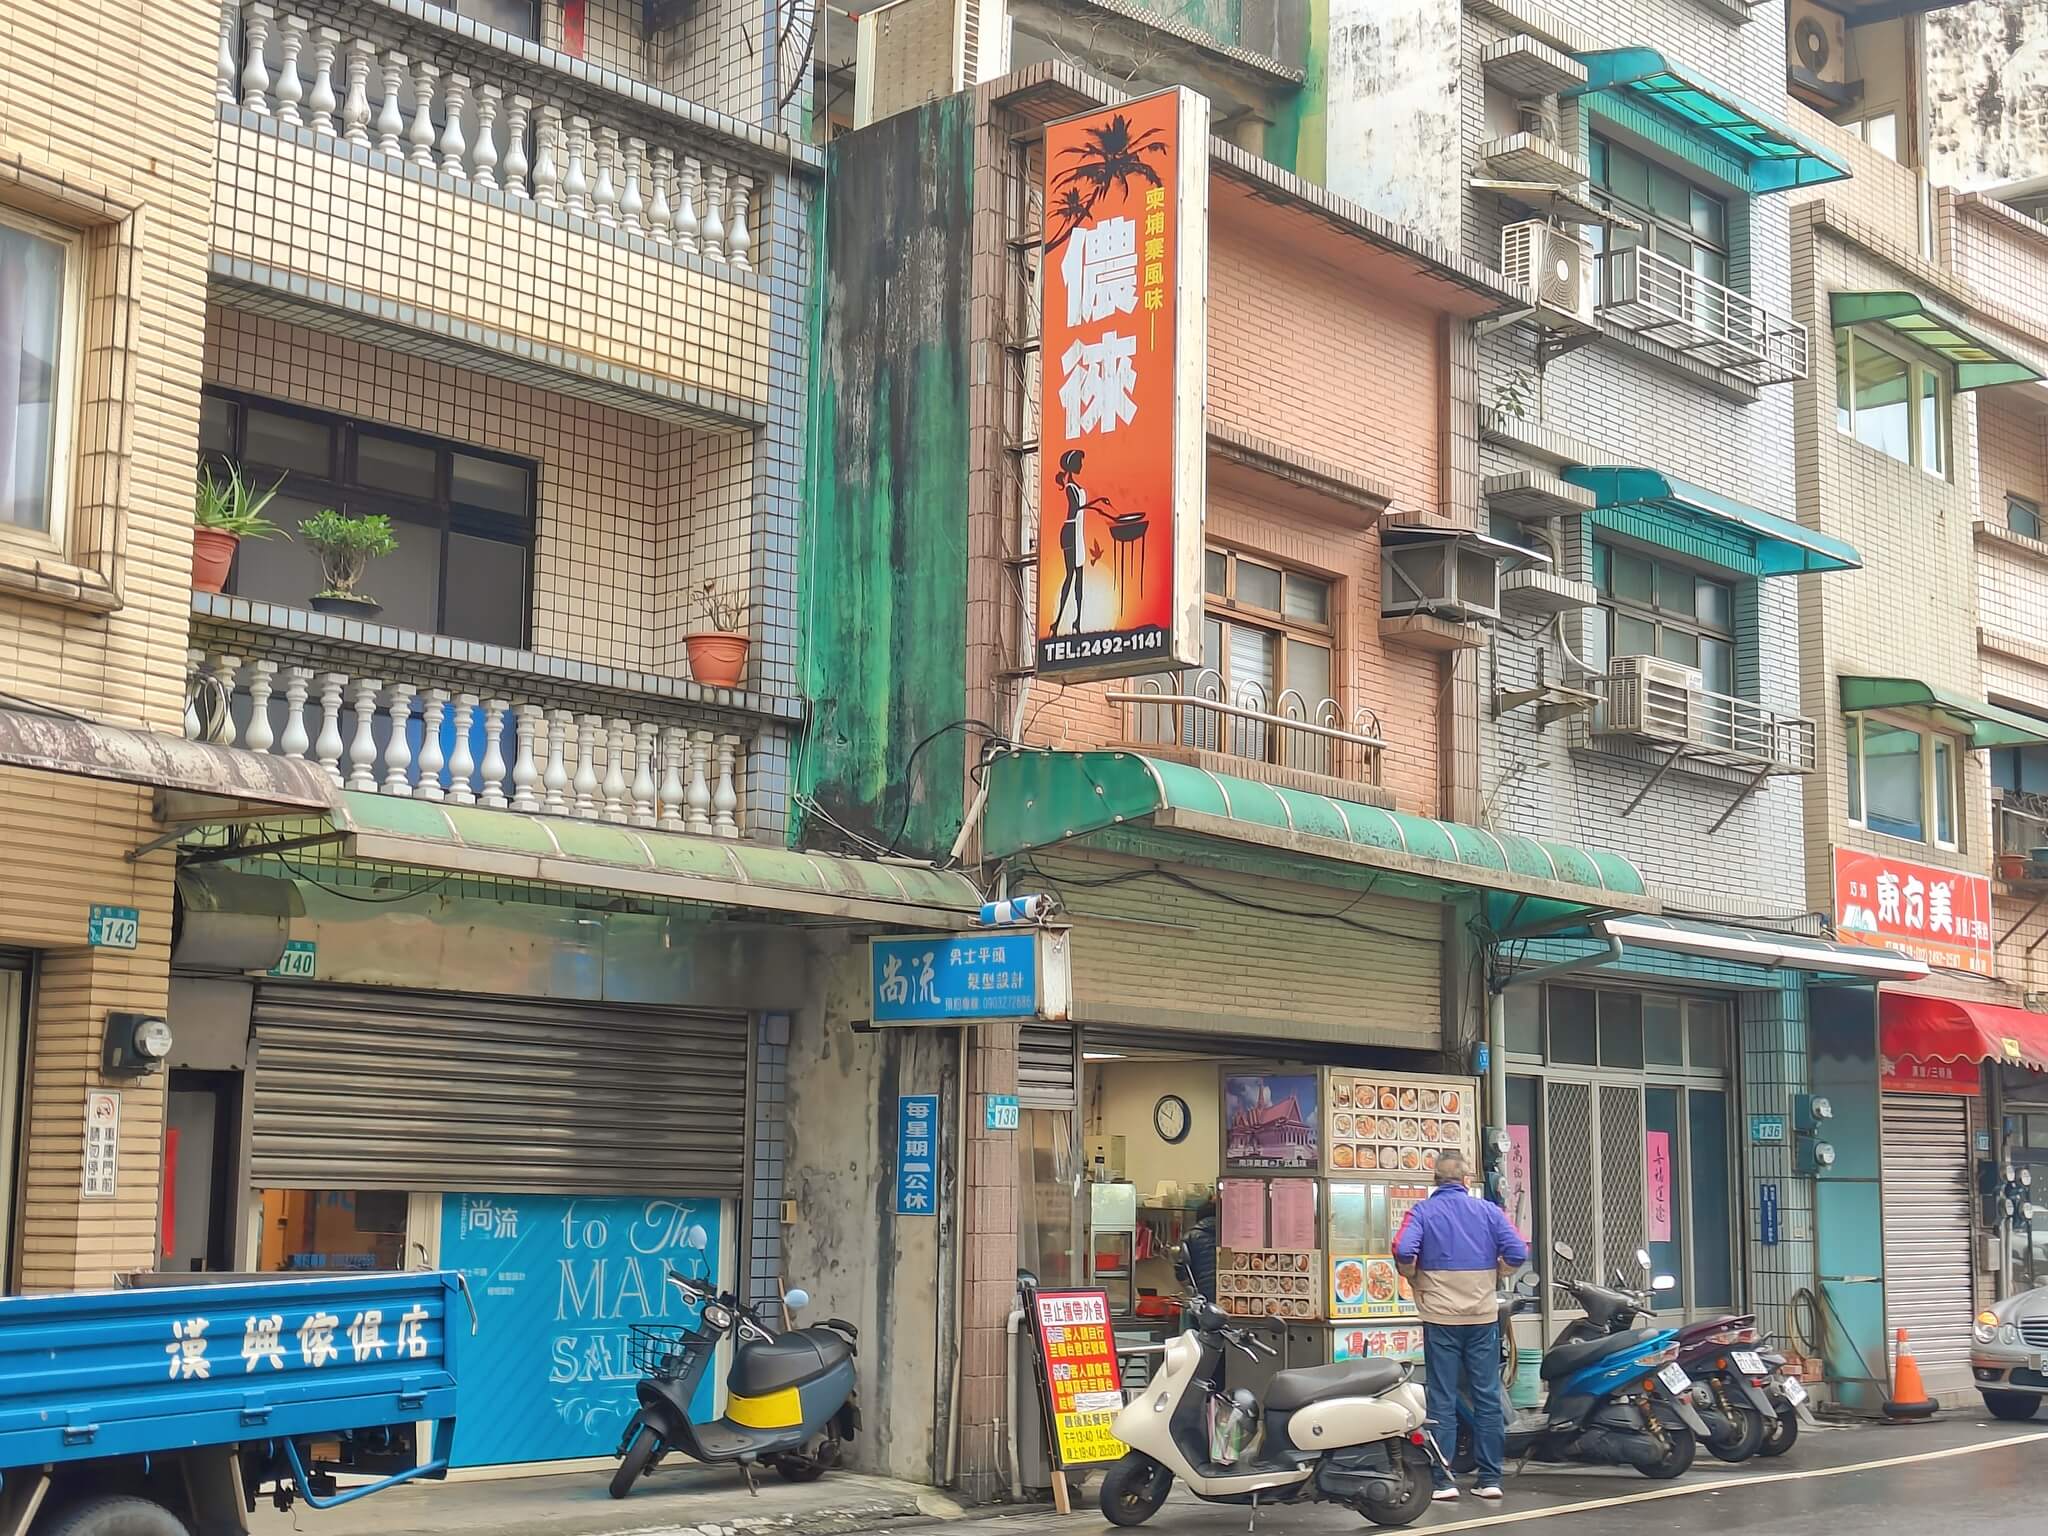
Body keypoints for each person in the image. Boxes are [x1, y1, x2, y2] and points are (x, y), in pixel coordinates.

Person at [1393, 1150, 1527, 1503]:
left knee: (1442, 1396)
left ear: (1434, 1180)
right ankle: (1490, 1479)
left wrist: (1412, 1274)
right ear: (1467, 1180)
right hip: (1482, 1318)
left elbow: (1403, 1248)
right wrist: (1499, 1271)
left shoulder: (1422, 1212)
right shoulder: (1489, 1212)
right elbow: (1517, 1250)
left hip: (1440, 1319)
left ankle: (1443, 1480)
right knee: (1486, 1396)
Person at [1181, 1198, 1218, 1301]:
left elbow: (1181, 1267)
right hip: (1230, 1293)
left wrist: (1189, 1287)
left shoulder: (1190, 1237)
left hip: (1202, 1295)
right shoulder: (1231, 1236)